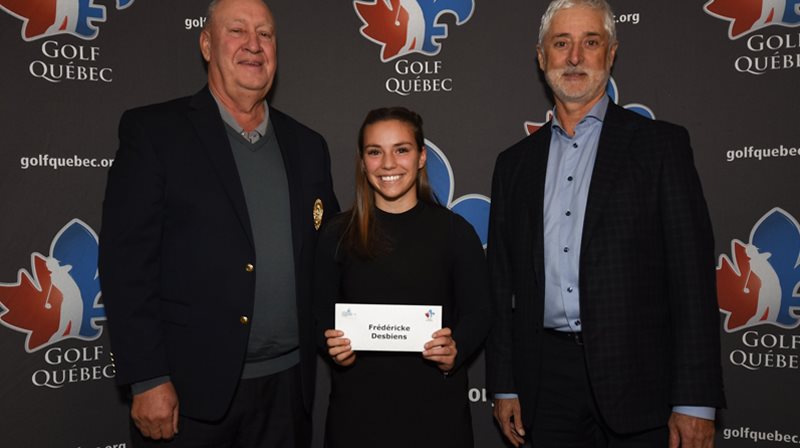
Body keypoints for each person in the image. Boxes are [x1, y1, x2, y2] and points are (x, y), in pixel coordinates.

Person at [485, 0, 726, 447]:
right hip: (545, 382)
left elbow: (692, 281)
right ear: (542, 57)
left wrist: (695, 401)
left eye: (590, 42)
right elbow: (501, 285)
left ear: (610, 53)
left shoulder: (660, 147)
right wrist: (504, 383)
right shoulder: (514, 165)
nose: (575, 57)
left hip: (640, 381)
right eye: (561, 43)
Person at [98, 0, 338, 446]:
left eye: (265, 34)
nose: (254, 45)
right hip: (190, 395)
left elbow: (333, 255)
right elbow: (126, 264)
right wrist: (147, 378)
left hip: (288, 390)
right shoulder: (154, 133)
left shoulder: (308, 145)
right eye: (237, 31)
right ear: (206, 44)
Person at [313, 107, 491, 448]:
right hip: (357, 416)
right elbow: (317, 312)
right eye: (375, 152)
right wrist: (331, 344)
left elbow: (480, 311)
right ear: (363, 162)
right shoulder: (337, 233)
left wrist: (457, 348)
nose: (389, 163)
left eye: (402, 149)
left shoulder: (455, 233)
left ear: (422, 157)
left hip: (438, 417)